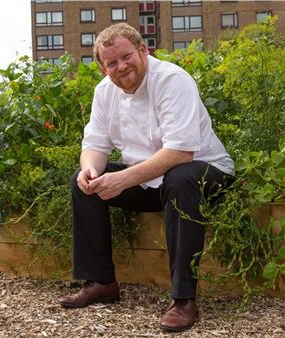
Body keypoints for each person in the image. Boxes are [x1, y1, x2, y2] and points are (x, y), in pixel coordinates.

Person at [58, 23, 234, 333]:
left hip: (205, 173)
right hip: (149, 180)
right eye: (111, 63)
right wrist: (91, 171)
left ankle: (183, 300)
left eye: (126, 57)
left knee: (179, 178)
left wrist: (122, 180)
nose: (121, 67)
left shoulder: (172, 80)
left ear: (143, 51)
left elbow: (181, 153)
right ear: (102, 68)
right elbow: (94, 146)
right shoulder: (105, 92)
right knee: (81, 183)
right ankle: (101, 282)